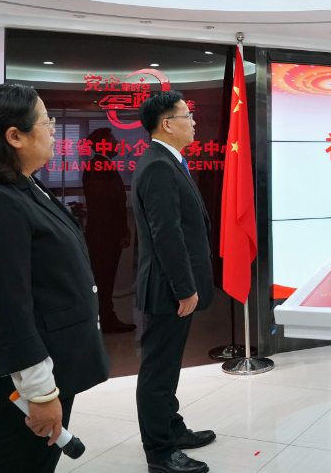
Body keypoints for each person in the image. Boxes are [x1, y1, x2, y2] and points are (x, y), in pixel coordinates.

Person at [0, 84, 109, 473]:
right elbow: (8, 307)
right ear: (15, 136)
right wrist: (39, 391)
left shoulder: (24, 184)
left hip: (49, 365)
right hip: (18, 381)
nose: (53, 130)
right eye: (46, 122)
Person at [133, 91, 215, 473]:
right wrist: (184, 288)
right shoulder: (158, 166)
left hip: (172, 284)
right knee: (158, 371)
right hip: (167, 287)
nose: (193, 122)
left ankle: (173, 428)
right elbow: (166, 233)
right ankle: (161, 451)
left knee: (168, 367)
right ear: (167, 123)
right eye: (187, 116)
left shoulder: (168, 161)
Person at [83, 127, 135, 333]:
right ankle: (106, 320)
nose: (117, 144)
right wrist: (121, 230)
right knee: (104, 279)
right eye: (113, 141)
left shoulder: (102, 165)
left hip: (105, 234)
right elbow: (106, 205)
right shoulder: (98, 167)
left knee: (105, 279)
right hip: (104, 236)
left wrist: (123, 229)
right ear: (103, 144)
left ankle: (105, 317)